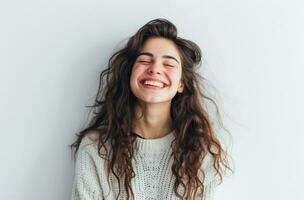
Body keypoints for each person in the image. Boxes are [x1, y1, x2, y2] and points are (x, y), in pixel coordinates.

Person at [70, 18, 231, 200]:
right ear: (129, 73)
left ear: (181, 83)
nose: (155, 69)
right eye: (145, 60)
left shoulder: (201, 152)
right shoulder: (95, 148)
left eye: (169, 64)